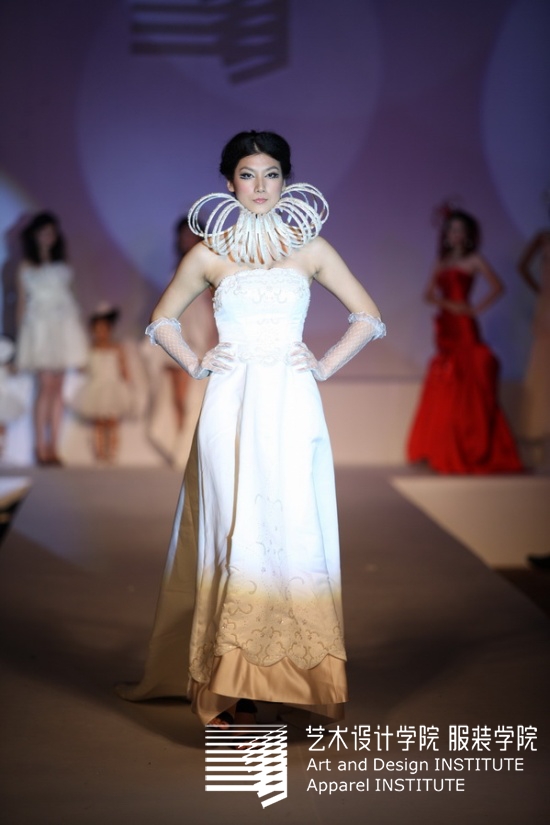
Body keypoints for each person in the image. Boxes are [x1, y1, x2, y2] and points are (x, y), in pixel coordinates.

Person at [118, 130, 386, 728]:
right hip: (230, 404)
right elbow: (161, 320)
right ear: (229, 182)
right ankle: (228, 684)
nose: (260, 186)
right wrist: (196, 363)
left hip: (292, 404)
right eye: (247, 174)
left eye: (271, 174)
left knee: (293, 530)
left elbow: (367, 316)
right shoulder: (209, 253)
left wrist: (321, 366)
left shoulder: (310, 248)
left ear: (287, 181)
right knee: (231, 528)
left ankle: (291, 677)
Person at [407, 207, 522, 474]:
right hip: (446, 324)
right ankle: (443, 448)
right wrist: (448, 304)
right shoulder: (442, 262)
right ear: (446, 235)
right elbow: (428, 295)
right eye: (451, 229)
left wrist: (472, 308)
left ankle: (471, 446)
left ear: (468, 234)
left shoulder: (474, 260)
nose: (455, 234)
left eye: (460, 229)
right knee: (448, 381)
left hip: (464, 325)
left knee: (470, 377)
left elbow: (498, 287)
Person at [15, 211, 88, 465]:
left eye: (52, 232)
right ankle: (40, 446)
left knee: (58, 388)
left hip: (63, 327)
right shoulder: (26, 267)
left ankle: (54, 446)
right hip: (39, 329)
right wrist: (20, 342)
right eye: (44, 232)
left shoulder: (63, 266)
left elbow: (73, 301)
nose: (49, 237)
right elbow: (21, 304)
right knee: (46, 387)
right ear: (35, 235)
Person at [69, 304, 132, 462]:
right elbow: (82, 368)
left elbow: (123, 368)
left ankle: (112, 452)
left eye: (103, 329)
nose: (100, 333)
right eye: (97, 329)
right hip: (96, 387)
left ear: (110, 329)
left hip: (113, 387)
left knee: (112, 421)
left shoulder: (117, 347)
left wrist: (126, 382)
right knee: (98, 422)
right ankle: (99, 452)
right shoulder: (89, 349)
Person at [517, 225, 550, 464]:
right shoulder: (543, 237)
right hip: (547, 305)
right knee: (542, 367)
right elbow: (523, 266)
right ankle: (541, 435)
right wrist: (541, 291)